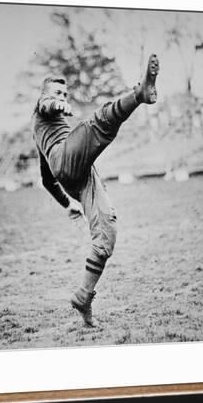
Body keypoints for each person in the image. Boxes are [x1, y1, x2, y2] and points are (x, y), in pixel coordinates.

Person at [32, 54, 160, 327]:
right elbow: (46, 105)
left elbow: (46, 179)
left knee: (107, 234)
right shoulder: (42, 110)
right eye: (57, 92)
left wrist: (68, 204)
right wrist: (56, 103)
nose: (62, 96)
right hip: (66, 161)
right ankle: (140, 93)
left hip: (77, 176)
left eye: (65, 93)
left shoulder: (49, 132)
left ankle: (83, 296)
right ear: (44, 95)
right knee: (97, 123)